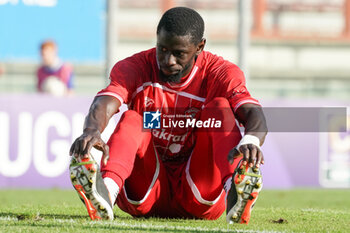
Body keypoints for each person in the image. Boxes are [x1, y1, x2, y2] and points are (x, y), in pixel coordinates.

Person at [69, 7, 267, 224]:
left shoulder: (220, 73)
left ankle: (235, 191)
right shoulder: (136, 67)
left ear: (200, 46)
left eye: (178, 53)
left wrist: (251, 140)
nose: (168, 60)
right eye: (162, 49)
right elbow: (105, 102)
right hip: (146, 188)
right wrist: (91, 130)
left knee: (218, 109)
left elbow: (251, 111)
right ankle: (106, 190)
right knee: (134, 119)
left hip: (198, 191)